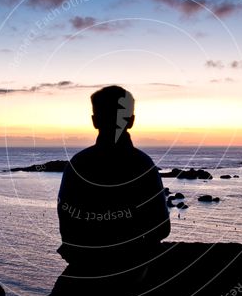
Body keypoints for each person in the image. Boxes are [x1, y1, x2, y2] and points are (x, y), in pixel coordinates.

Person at [57, 85, 170, 274]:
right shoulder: (142, 165)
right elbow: (162, 227)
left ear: (94, 121)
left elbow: (67, 226)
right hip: (133, 271)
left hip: (85, 269)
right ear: (131, 120)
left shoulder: (78, 164)